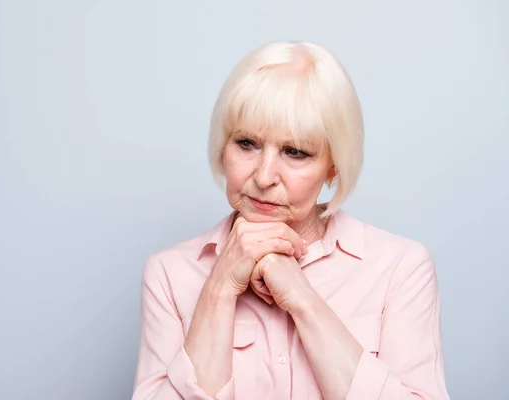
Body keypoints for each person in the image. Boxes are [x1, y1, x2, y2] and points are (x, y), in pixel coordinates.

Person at [131, 41, 450, 400]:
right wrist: (218, 288)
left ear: (333, 166)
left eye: (295, 151)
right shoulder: (169, 275)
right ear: (223, 145)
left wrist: (301, 297)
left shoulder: (400, 269)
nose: (264, 176)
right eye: (247, 143)